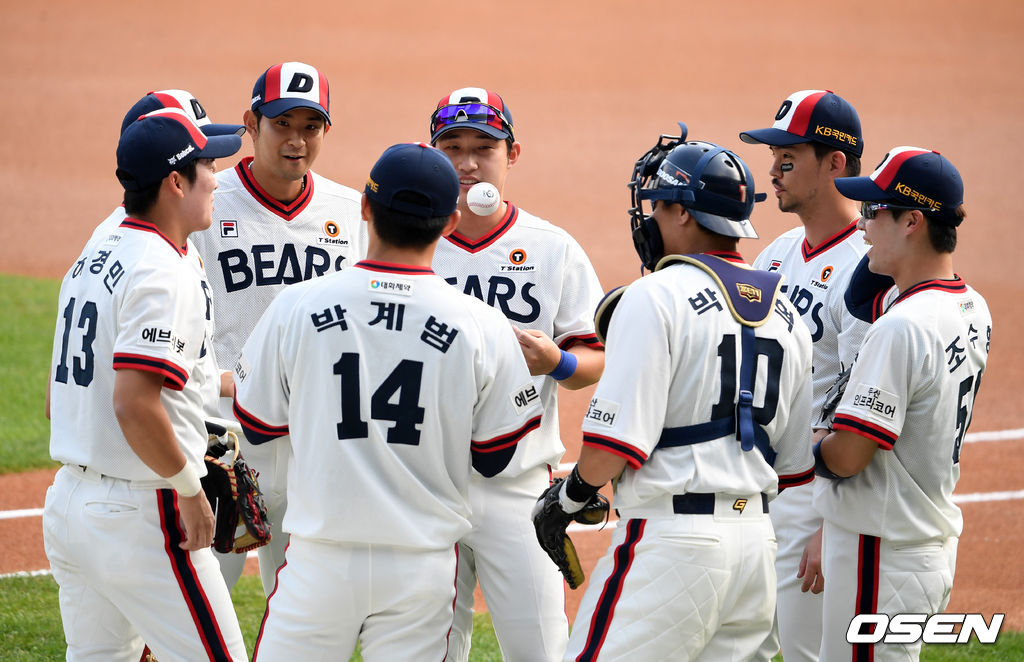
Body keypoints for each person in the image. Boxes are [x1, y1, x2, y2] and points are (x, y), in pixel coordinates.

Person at [232, 142, 543, 661]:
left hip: (319, 560)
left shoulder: (297, 305)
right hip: (420, 569)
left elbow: (258, 424)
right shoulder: (482, 325)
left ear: (364, 208)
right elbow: (494, 457)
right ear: (449, 224)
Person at [543, 127, 815, 661]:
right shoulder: (789, 314)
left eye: (658, 206)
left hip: (672, 547)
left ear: (685, 213)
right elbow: (796, 465)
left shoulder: (654, 297)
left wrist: (567, 501)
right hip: (757, 549)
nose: (650, 219)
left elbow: (612, 445)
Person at [42, 107, 247, 661]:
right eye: (207, 166)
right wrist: (188, 487)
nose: (217, 179)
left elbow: (54, 402)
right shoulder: (163, 270)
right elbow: (135, 403)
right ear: (175, 182)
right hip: (142, 514)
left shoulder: (96, 254)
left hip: (69, 507)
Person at [427, 87, 606, 661]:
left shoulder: (552, 248)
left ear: (513, 153)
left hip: (518, 489)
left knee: (541, 651)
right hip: (424, 483)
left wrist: (560, 363)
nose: (466, 162)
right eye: (451, 146)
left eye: (484, 147)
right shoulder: (409, 243)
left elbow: (595, 361)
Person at [191, 61, 368, 595]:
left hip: (314, 435)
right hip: (220, 433)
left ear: (326, 131)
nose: (297, 140)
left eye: (310, 126)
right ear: (252, 122)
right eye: (282, 124)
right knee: (198, 599)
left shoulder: (350, 209)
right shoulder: (206, 200)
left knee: (298, 606)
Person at [814, 147, 991, 661]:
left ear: (912, 221)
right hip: (916, 545)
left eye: (873, 213)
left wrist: (814, 443)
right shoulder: (970, 305)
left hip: (880, 552)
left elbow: (849, 456)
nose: (863, 227)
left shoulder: (903, 326)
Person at [738, 89, 873, 661]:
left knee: (804, 652)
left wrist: (830, 525)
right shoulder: (777, 254)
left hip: (818, 492)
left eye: (788, 158)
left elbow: (868, 403)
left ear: (835, 162)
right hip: (761, 485)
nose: (772, 171)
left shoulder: (869, 264)